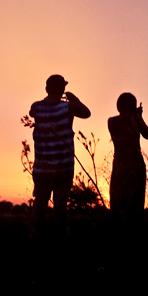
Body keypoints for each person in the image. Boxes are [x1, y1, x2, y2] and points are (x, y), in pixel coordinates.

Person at [29, 74, 91, 227]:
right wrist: (74, 99)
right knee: (60, 205)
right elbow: (87, 113)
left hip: (41, 167)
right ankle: (59, 238)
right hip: (63, 167)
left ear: (46, 89)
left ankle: (35, 236)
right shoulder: (69, 107)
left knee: (40, 204)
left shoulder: (36, 107)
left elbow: (31, 113)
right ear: (63, 89)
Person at [108, 93, 148, 219]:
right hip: (135, 162)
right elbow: (147, 134)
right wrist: (139, 116)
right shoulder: (135, 118)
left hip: (119, 163)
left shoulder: (111, 121)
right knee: (135, 201)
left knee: (118, 199)